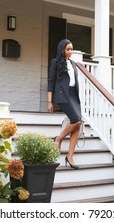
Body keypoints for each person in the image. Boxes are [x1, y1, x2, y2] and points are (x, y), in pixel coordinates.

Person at [48, 39, 82, 169]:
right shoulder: (55, 62)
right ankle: (59, 138)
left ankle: (70, 156)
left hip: (74, 95)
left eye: (71, 49)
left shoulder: (73, 64)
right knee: (76, 121)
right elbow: (51, 82)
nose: (70, 52)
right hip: (63, 95)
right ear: (62, 50)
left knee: (77, 125)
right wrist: (50, 101)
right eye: (68, 49)